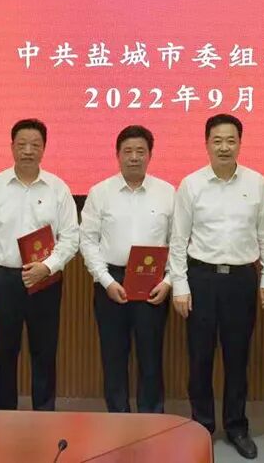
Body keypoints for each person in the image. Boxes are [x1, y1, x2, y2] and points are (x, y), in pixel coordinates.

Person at [170, 114, 264, 460]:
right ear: (206, 144)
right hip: (201, 279)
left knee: (237, 357)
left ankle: (236, 426)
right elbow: (178, 240)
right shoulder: (191, 184)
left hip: (242, 280)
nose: (224, 147)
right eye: (217, 140)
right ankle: (201, 425)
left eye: (231, 140)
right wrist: (180, 285)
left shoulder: (256, 182)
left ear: (240, 144)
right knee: (200, 357)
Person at [0, 118, 80, 411]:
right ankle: (4, 415)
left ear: (44, 148)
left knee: (45, 352)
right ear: (11, 147)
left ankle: (44, 413)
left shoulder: (58, 188)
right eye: (22, 145)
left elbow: (71, 237)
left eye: (35, 145)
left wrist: (49, 266)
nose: (28, 151)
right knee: (4, 353)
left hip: (45, 280)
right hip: (4, 279)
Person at [80, 125, 174, 413]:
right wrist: (106, 280)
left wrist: (168, 281)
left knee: (151, 355)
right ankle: (118, 416)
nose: (134, 157)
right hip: (111, 281)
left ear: (150, 155)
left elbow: (179, 242)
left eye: (140, 151)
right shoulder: (100, 193)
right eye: (128, 151)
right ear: (117, 154)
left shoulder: (168, 193)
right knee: (113, 355)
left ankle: (151, 417)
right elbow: (88, 241)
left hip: (153, 284)